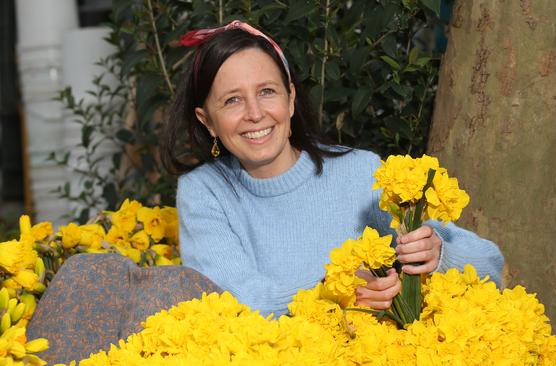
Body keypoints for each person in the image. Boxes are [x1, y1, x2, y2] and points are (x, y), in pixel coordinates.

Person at [162, 20, 503, 317]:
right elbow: (235, 301)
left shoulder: (362, 173)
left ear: (291, 98)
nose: (254, 113)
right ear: (207, 121)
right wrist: (337, 290)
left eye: (267, 91)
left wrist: (439, 254)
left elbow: (491, 264)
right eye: (232, 100)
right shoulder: (204, 191)